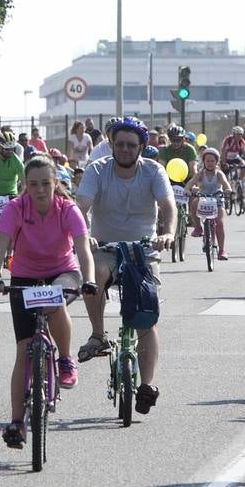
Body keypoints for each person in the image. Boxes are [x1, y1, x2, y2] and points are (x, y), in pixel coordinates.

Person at [0, 155, 97, 447]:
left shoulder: (68, 209)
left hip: (64, 273)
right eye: (33, 184)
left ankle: (64, 359)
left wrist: (89, 279)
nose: (40, 189)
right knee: (23, 350)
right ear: (25, 185)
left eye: (46, 183)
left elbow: (83, 248)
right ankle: (16, 423)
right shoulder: (15, 208)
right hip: (25, 277)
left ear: (55, 183)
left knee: (53, 299)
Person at [74, 117, 176, 415]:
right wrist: (85, 236)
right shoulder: (97, 169)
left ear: (142, 147)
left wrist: (167, 233)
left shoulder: (153, 171)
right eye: (119, 144)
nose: (125, 150)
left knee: (145, 316)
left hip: (144, 250)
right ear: (111, 144)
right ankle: (97, 335)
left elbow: (169, 207)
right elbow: (81, 207)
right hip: (105, 246)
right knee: (94, 275)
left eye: (132, 145)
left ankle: (146, 385)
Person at [186, 148, 233, 257]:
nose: (210, 163)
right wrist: (187, 190)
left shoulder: (219, 174)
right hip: (203, 200)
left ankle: (221, 250)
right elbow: (191, 183)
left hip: (217, 201)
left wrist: (228, 190)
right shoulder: (200, 174)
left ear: (216, 162)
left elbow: (226, 184)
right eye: (207, 161)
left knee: (220, 224)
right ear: (204, 161)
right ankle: (198, 227)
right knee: (194, 202)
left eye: (212, 161)